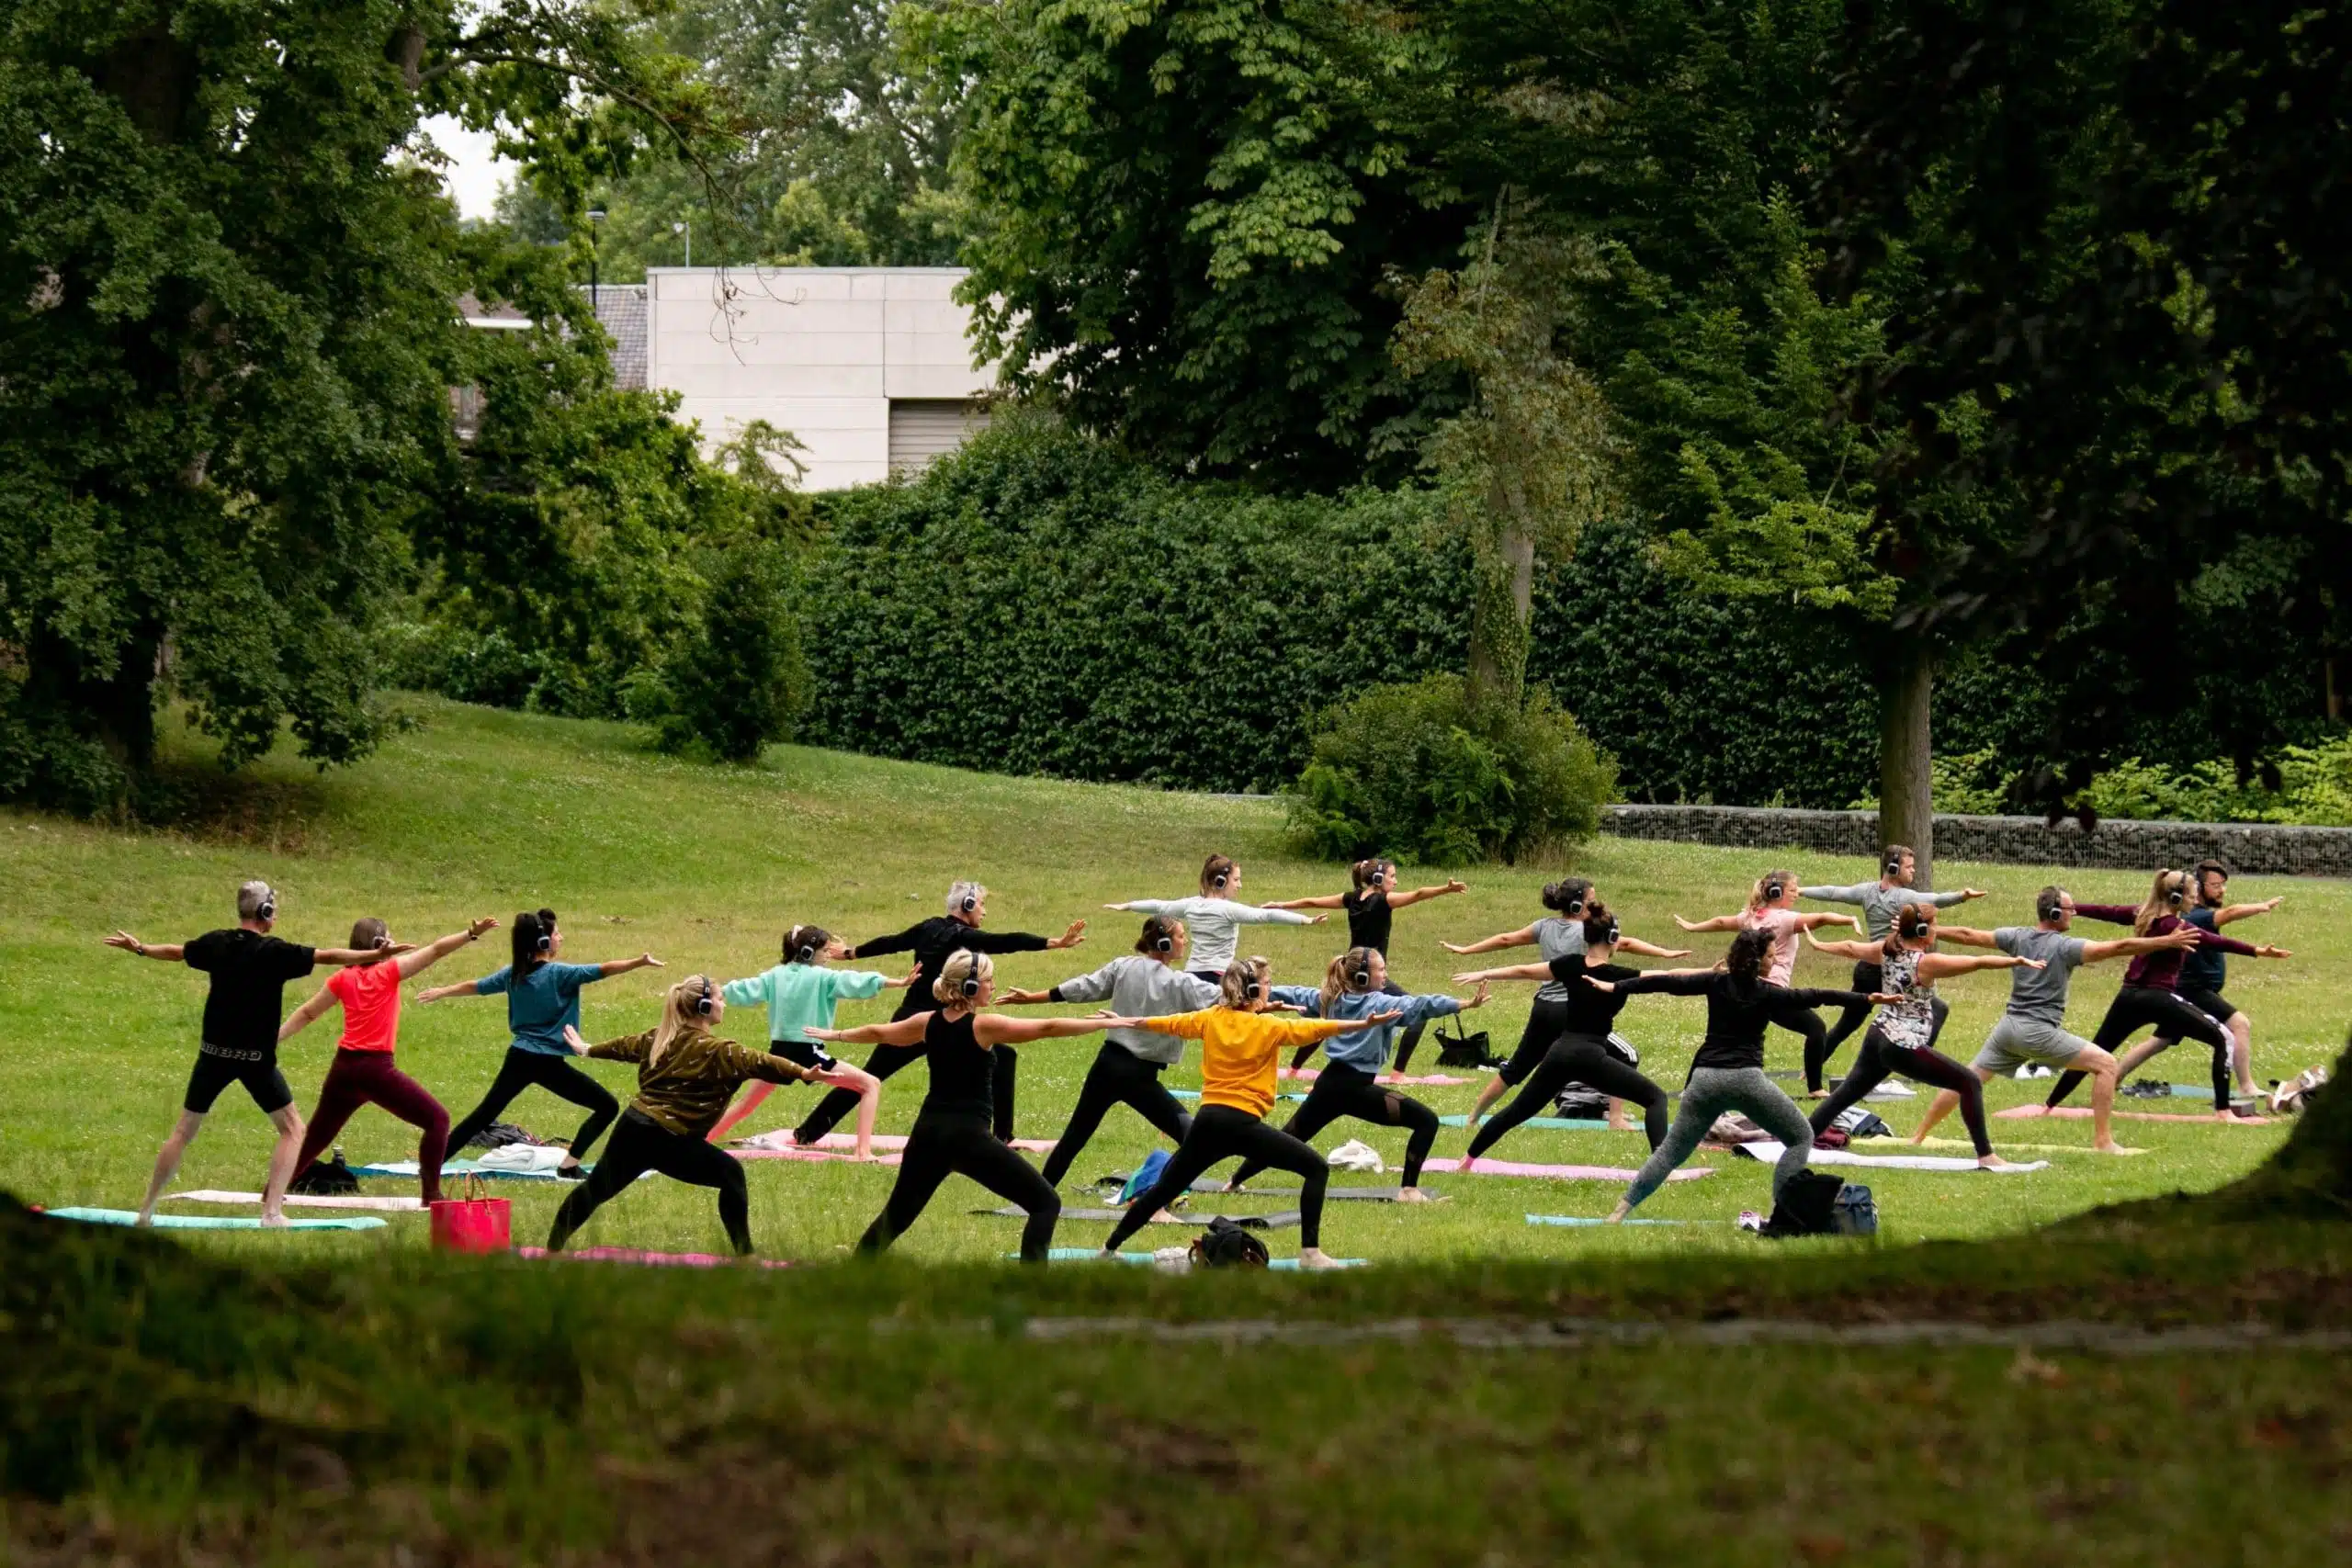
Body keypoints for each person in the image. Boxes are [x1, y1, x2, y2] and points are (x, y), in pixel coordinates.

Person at [107, 880, 412, 1226]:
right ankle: (272, 1213)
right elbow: (328, 956)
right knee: (293, 1129)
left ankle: (146, 1210)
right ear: (264, 912)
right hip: (255, 1062)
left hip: (212, 1056)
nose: (275, 914)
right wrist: (375, 956)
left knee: (182, 1132)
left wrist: (141, 948)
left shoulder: (217, 942)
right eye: (273, 908)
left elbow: (176, 952)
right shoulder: (274, 952)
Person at [808, 952, 1134, 1262]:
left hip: (927, 1134)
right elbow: (1046, 1028)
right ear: (971, 986)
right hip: (967, 1138)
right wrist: (1102, 1025)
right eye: (989, 980)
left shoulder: (927, 1022)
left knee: (895, 1217)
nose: (993, 986)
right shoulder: (982, 1026)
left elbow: (879, 1032)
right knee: (1046, 1203)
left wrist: (835, 1035)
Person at [1099, 956, 1400, 1267]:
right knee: (1316, 1169)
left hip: (1208, 1123)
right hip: (1240, 1125)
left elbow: (1167, 1023)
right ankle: (1310, 1253)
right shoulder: (1268, 1027)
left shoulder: (1211, 1018)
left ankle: (1108, 1249)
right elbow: (1314, 1028)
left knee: (1163, 1190)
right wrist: (1364, 1024)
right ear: (1253, 990)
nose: (1270, 989)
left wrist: (1123, 1021)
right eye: (1267, 984)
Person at [546, 976, 874, 1255]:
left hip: (634, 1128)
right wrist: (803, 1073)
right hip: (670, 1139)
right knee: (731, 1174)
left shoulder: (660, 1037)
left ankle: (551, 1251)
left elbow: (623, 1046)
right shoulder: (719, 1051)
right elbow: (762, 1061)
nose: (723, 1003)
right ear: (705, 1007)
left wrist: (588, 1049)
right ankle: (745, 1256)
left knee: (595, 1190)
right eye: (719, 998)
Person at [1584, 929, 1891, 1224]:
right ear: (1755, 960)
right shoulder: (1768, 993)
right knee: (1801, 1138)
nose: (1775, 960)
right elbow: (1817, 996)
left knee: (1670, 1152)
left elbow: (1668, 982)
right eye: (1770, 956)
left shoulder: (1716, 981)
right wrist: (1865, 1000)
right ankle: (1782, 1219)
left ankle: (1619, 1212)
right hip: (1746, 1081)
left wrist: (1616, 987)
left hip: (1704, 1082)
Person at [787, 881, 1087, 1149]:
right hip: (943, 1023)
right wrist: (1054, 943)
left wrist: (851, 953)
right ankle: (1003, 1138)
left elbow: (891, 942)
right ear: (967, 905)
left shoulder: (929, 927)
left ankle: (806, 1134)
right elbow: (1006, 941)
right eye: (981, 904)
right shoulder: (962, 936)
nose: (983, 911)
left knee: (872, 1075)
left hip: (912, 1017)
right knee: (873, 1076)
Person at [1913, 887, 2202, 1153]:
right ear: (2053, 914)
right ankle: (2103, 1141)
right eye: (2068, 908)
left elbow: (1967, 934)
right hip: (2037, 1032)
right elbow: (2118, 947)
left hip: (2008, 1030)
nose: (2073, 912)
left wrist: (1927, 930)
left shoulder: (2017, 936)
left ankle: (1918, 1136)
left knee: (1967, 1080)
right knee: (2106, 1065)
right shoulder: (2066, 948)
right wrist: (2166, 941)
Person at [415, 908, 663, 1178]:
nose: (561, 938)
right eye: (557, 934)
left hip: (520, 1058)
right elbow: (604, 969)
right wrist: (639, 962)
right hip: (546, 1064)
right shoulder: (559, 974)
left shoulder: (514, 973)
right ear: (543, 942)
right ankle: (568, 1166)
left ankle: (432, 1165)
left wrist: (443, 991)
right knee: (607, 1107)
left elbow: (477, 986)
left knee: (483, 1115)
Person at [275, 914, 501, 1205]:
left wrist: (274, 1038)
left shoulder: (342, 978)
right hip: (375, 1070)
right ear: (381, 943)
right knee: (438, 1120)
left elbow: (307, 1013)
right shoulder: (389, 971)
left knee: (316, 1138)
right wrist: (470, 934)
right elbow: (436, 950)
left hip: (343, 1069)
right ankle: (431, 1195)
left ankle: (273, 1191)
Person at [1227, 950, 1487, 1201]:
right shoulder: (1379, 1003)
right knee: (1426, 1121)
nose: (1385, 975)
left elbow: (1295, 993)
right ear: (1363, 977)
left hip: (1330, 1085)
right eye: (1381, 969)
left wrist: (1253, 991)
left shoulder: (1330, 998)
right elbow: (1421, 1005)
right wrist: (1462, 1004)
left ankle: (1234, 1181)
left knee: (1287, 1137)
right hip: (1353, 1088)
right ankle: (1409, 1191)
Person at [1797, 905, 2042, 1168]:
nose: (1937, 929)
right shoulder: (1925, 962)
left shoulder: (1886, 950)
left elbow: (1849, 947)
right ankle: (1987, 1156)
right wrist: (2016, 961)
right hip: (1901, 1044)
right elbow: (1976, 962)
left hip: (1878, 1035)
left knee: (1845, 1095)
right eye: (1934, 924)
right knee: (1969, 1082)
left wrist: (1819, 944)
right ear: (1923, 930)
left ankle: (1798, 1141)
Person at [2039, 869, 2291, 1118]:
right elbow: (2214, 941)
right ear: (2176, 898)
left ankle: (2048, 1106)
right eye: (2191, 895)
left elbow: (2108, 911)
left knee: (2096, 1050)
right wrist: (2256, 951)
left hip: (2128, 996)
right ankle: (2224, 1112)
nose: (2194, 899)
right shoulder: (2175, 925)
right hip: (2157, 998)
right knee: (2224, 1038)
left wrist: (2074, 908)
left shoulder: (2144, 914)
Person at [1446, 879, 1691, 1129]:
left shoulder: (1543, 926)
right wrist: (1664, 953)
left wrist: (1467, 950)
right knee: (1625, 1055)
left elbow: (1506, 939)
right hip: (1572, 1012)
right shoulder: (1588, 931)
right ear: (1576, 905)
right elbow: (1625, 944)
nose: (1595, 906)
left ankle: (1474, 1116)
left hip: (1543, 1008)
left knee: (1516, 1068)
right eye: (1591, 901)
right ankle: (1616, 1118)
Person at [997, 917, 1221, 1187]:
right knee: (1192, 1137)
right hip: (1138, 1077)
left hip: (1107, 1066)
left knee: (1074, 1138)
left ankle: (1037, 1196)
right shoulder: (1181, 983)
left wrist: (1034, 997)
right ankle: (1157, 1193)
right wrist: (1263, 998)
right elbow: (1227, 998)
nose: (1186, 941)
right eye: (1181, 936)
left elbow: (1083, 987)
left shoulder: (1123, 966)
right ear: (1164, 943)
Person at [1798, 846, 1987, 1088]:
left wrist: (1801, 891)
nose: (1913, 871)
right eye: (1909, 867)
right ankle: (1919, 1064)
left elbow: (1833, 892)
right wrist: (1962, 896)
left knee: (1847, 1024)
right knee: (1936, 1009)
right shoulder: (1904, 897)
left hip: (1869, 968)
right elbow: (1935, 900)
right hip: (1898, 970)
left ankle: (1810, 1070)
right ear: (1894, 868)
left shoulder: (1867, 891)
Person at [702, 925, 898, 1150]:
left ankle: (699, 1142)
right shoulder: (823, 977)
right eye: (825, 951)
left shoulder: (776, 974)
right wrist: (894, 982)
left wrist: (707, 992)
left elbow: (744, 989)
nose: (829, 955)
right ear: (807, 952)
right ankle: (863, 1152)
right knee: (870, 1084)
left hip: (778, 1053)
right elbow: (856, 982)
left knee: (745, 1105)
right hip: (808, 1053)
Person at [1261, 860, 1467, 1074]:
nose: (1395, 882)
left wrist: (1281, 904)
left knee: (1327, 1017)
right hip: (1369, 974)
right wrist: (1445, 889)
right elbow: (1418, 894)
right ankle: (1398, 1074)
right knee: (1416, 1014)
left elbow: (1312, 901)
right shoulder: (1383, 900)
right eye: (1392, 876)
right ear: (1378, 878)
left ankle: (1294, 1069)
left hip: (1350, 971)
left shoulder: (1352, 898)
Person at [1671, 870, 1865, 1094]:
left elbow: (1721, 921)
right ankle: (1815, 1088)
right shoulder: (1784, 919)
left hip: (1746, 989)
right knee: (1816, 1028)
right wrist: (1849, 919)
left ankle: (1689, 1089)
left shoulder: (1752, 915)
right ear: (1776, 892)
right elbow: (1821, 919)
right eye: (1792, 890)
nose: (1796, 894)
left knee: (1719, 1039)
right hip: (1772, 993)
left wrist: (1693, 926)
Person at [2136, 859, 2284, 1103]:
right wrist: (2262, 906)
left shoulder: (2199, 916)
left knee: (2160, 1041)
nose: (2222, 890)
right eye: (2215, 885)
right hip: (2194, 991)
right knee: (2240, 1025)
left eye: (2223, 884)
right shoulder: (2198, 916)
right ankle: (2246, 1086)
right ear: (2199, 887)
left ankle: (2114, 1075)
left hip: (2189, 990)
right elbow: (2231, 913)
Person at [1105, 853, 1322, 984]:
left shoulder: (1191, 905)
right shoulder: (1228, 910)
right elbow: (1266, 915)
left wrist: (1128, 905)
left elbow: (1159, 906)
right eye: (1236, 880)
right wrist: (1305, 920)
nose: (1239, 885)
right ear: (1220, 881)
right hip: (1218, 977)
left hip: (1191, 974)